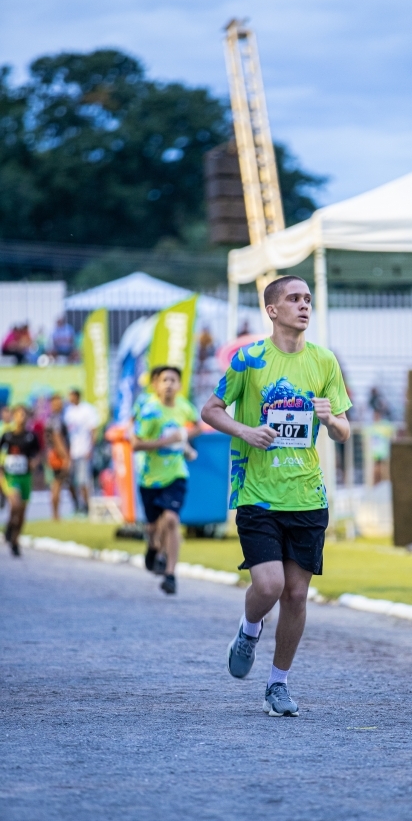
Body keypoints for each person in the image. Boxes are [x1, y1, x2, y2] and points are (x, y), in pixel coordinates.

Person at [202, 275, 352, 717]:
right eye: (294, 299)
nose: (304, 305)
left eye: (308, 299)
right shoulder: (249, 360)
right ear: (272, 310)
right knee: (270, 585)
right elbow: (210, 410)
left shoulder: (323, 360)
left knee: (296, 596)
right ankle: (249, 630)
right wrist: (246, 431)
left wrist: (331, 420)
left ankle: (277, 684)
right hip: (258, 493)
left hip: (307, 496)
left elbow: (344, 430)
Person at [131, 367, 202, 595]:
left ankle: (171, 574)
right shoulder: (150, 411)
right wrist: (165, 441)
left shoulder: (184, 406)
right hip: (150, 477)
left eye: (173, 380)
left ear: (179, 385)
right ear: (156, 385)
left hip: (176, 473)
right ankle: (153, 546)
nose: (169, 384)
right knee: (153, 526)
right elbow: (136, 444)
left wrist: (184, 438)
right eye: (165, 380)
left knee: (171, 520)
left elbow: (197, 426)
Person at [0, 405, 40, 556]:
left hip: (25, 477)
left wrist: (34, 462)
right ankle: (10, 525)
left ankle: (15, 540)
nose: (21, 418)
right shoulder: (7, 436)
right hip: (10, 476)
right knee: (15, 504)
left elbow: (38, 453)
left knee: (22, 513)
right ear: (14, 417)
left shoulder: (31, 437)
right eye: (18, 415)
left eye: (24, 415)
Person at [64, 389, 99, 514]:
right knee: (70, 482)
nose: (70, 399)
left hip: (84, 451)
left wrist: (90, 448)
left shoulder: (87, 410)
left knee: (83, 481)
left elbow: (94, 430)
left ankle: (87, 507)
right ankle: (77, 506)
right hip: (71, 453)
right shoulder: (68, 411)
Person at [45, 394, 71, 521]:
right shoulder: (56, 419)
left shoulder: (52, 418)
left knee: (57, 484)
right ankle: (55, 515)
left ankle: (55, 514)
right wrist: (65, 457)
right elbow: (57, 438)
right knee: (57, 483)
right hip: (57, 455)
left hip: (53, 453)